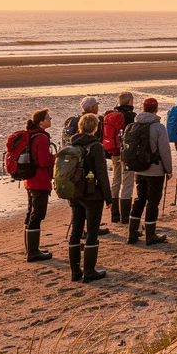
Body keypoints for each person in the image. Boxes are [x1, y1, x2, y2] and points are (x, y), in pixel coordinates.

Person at [68, 112, 112, 283]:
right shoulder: (96, 147)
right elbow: (102, 174)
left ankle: (75, 272)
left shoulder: (72, 144)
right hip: (93, 195)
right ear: (95, 127)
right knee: (92, 231)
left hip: (75, 193)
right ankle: (89, 271)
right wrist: (109, 198)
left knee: (76, 231)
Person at [128, 97, 172, 246]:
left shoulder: (135, 125)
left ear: (143, 107)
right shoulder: (159, 127)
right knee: (153, 202)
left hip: (139, 169)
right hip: (155, 171)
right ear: (156, 109)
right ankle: (150, 235)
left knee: (140, 199)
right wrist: (168, 170)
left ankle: (132, 234)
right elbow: (165, 151)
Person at [23, 109, 55, 262]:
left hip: (29, 179)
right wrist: (57, 157)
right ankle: (33, 252)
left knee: (31, 214)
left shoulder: (30, 134)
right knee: (37, 215)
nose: (50, 120)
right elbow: (44, 161)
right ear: (41, 121)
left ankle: (30, 249)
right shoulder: (41, 137)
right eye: (48, 118)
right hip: (39, 180)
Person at [104, 91, 136, 223]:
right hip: (126, 154)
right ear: (130, 102)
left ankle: (114, 214)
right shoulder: (130, 116)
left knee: (116, 181)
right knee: (127, 183)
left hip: (114, 152)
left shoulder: (110, 115)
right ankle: (125, 216)